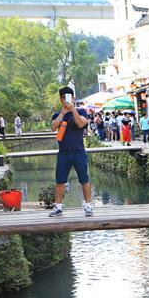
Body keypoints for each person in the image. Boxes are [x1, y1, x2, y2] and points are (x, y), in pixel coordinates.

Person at [49, 87, 93, 217]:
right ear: (60, 99)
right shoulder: (57, 115)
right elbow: (53, 127)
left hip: (78, 151)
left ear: (73, 98)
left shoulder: (81, 111)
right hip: (63, 152)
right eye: (62, 97)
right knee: (60, 180)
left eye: (67, 97)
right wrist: (62, 113)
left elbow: (81, 124)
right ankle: (58, 207)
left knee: (84, 179)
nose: (65, 100)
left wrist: (73, 109)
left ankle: (88, 206)